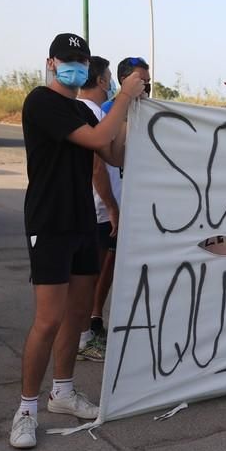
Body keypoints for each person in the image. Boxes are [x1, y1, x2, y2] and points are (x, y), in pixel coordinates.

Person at [10, 33, 144, 449]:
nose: (74, 66)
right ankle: (27, 409)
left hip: (83, 221)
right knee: (48, 319)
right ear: (51, 63)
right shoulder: (42, 102)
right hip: (50, 222)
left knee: (77, 315)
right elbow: (92, 140)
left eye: (81, 60)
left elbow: (114, 154)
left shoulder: (82, 109)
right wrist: (122, 97)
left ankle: (63, 392)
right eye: (67, 60)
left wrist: (129, 113)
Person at [87, 56, 151, 341]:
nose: (144, 87)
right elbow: (99, 165)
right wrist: (112, 206)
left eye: (147, 83)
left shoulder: (149, 111)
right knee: (99, 266)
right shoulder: (108, 112)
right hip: (107, 207)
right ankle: (91, 321)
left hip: (133, 205)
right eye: (140, 81)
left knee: (117, 266)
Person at [76, 55, 117, 362]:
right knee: (87, 280)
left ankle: (82, 337)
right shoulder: (92, 115)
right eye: (110, 77)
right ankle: (84, 339)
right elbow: (97, 169)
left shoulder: (75, 111)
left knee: (84, 280)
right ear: (102, 80)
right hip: (97, 210)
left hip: (84, 208)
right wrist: (113, 207)